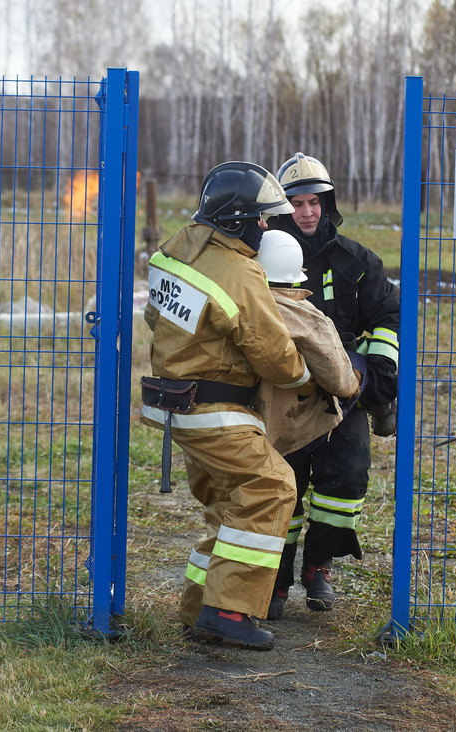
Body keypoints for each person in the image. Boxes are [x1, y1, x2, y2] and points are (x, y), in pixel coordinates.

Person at [139, 161, 312, 651]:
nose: (265, 228)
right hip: (214, 409)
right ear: (237, 221)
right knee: (271, 488)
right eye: (261, 219)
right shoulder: (237, 270)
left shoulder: (174, 249)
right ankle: (229, 610)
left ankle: (199, 605)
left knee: (228, 506)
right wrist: (303, 377)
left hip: (171, 404)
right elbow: (274, 353)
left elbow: (155, 317)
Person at [265, 152, 401, 617]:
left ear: (329, 204)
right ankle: (276, 581)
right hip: (284, 394)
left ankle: (318, 565)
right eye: (296, 203)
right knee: (283, 485)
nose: (306, 212)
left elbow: (388, 317)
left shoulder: (359, 263)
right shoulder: (262, 262)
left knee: (346, 481)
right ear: (282, 208)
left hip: (347, 395)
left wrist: (376, 377)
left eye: (315, 202)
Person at [251, 229, 363, 458]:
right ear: (294, 278)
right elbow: (340, 383)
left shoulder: (236, 302)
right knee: (359, 366)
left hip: (240, 422)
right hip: (289, 429)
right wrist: (357, 379)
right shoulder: (308, 320)